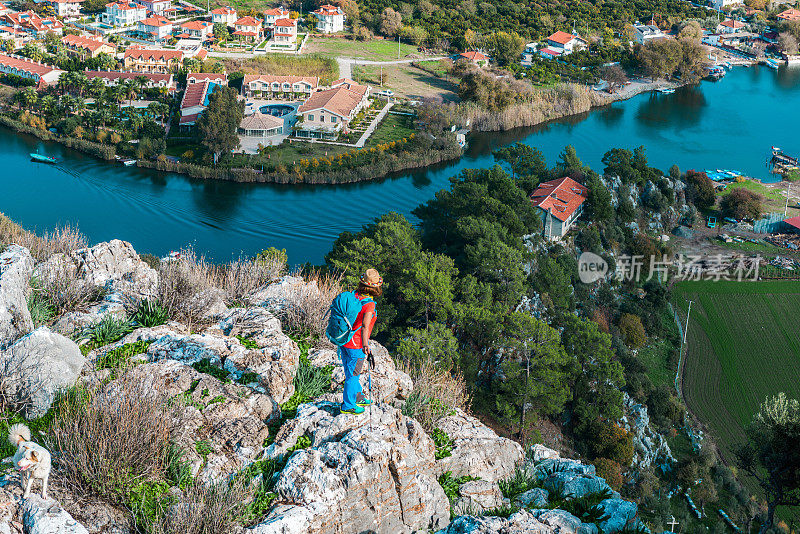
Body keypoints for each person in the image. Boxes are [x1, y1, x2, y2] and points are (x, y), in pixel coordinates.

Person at [340, 268, 382, 415]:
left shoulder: (354, 296)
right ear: (375, 286)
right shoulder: (369, 304)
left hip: (345, 341)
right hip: (356, 345)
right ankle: (348, 405)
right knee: (353, 375)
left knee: (350, 371)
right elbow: (365, 326)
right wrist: (365, 345)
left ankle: (358, 397)